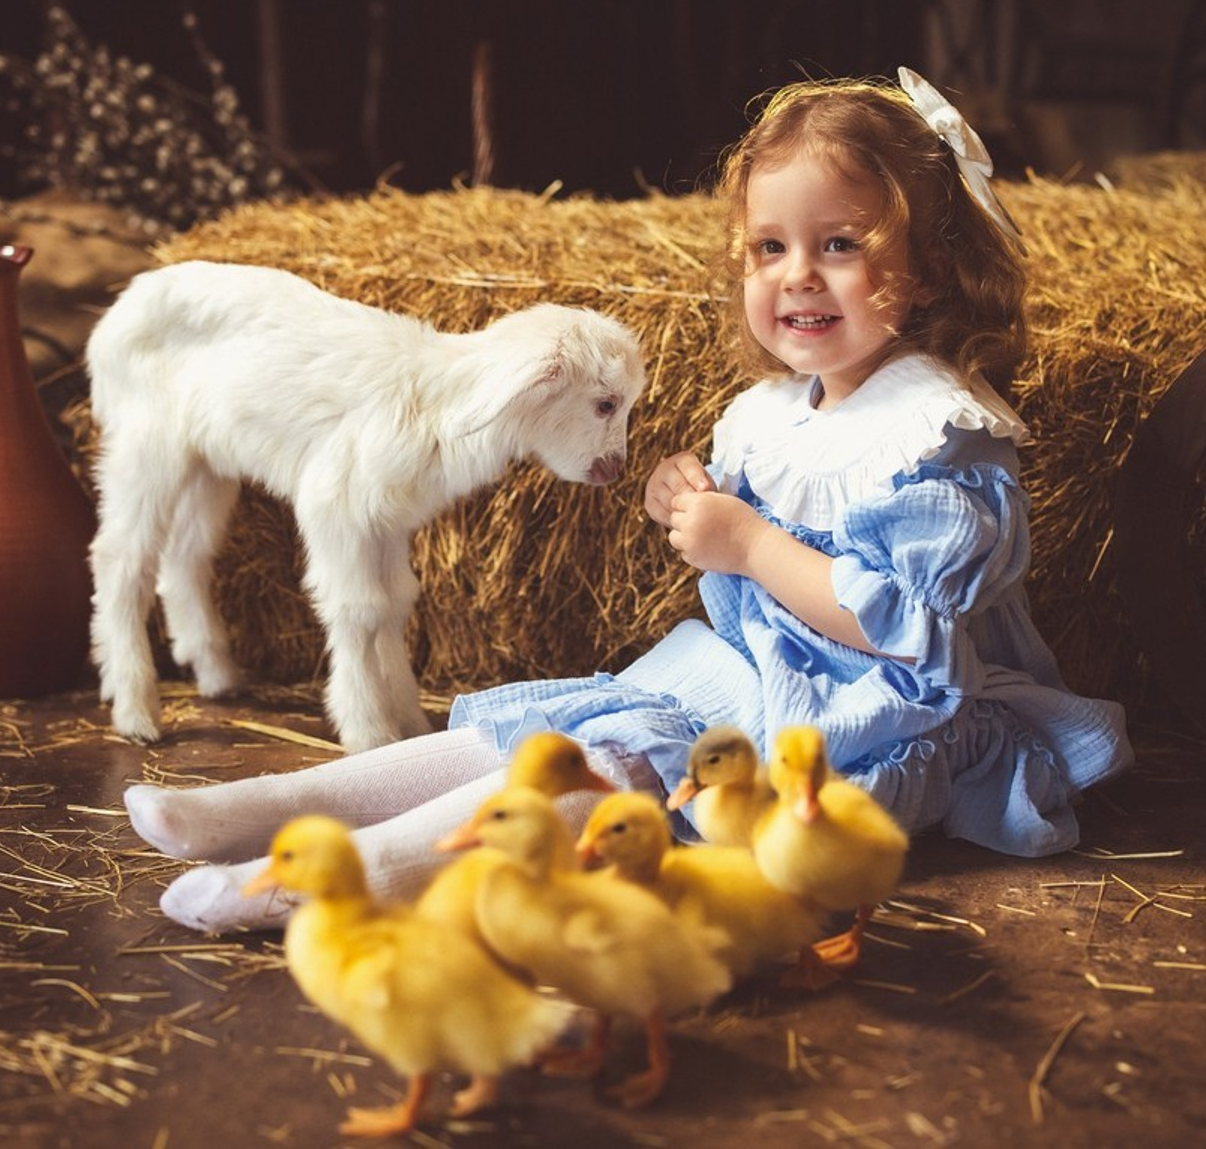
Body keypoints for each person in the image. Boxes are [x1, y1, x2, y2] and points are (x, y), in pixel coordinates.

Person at [124, 68, 1132, 933]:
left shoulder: (941, 435)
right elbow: (752, 525)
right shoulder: (780, 411)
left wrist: (747, 545)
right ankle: (276, 805)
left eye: (839, 244)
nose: (796, 276)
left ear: (927, 272)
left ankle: (345, 874)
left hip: (868, 717)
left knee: (609, 773)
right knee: (563, 727)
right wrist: (683, 494)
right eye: (768, 248)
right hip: (750, 672)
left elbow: (909, 630)